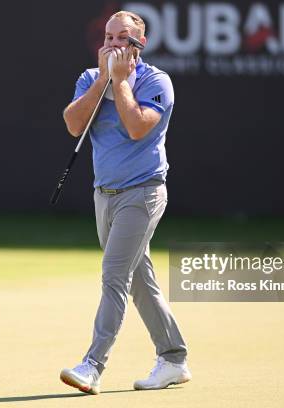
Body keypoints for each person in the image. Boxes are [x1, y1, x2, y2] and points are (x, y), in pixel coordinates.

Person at [59, 10, 190, 394]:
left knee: (114, 276)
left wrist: (120, 84)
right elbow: (72, 124)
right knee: (140, 281)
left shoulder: (155, 81)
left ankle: (92, 366)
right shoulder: (90, 78)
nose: (113, 44)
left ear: (139, 44)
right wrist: (103, 80)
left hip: (144, 192)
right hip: (105, 195)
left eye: (122, 38)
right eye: (109, 37)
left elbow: (136, 127)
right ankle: (174, 357)